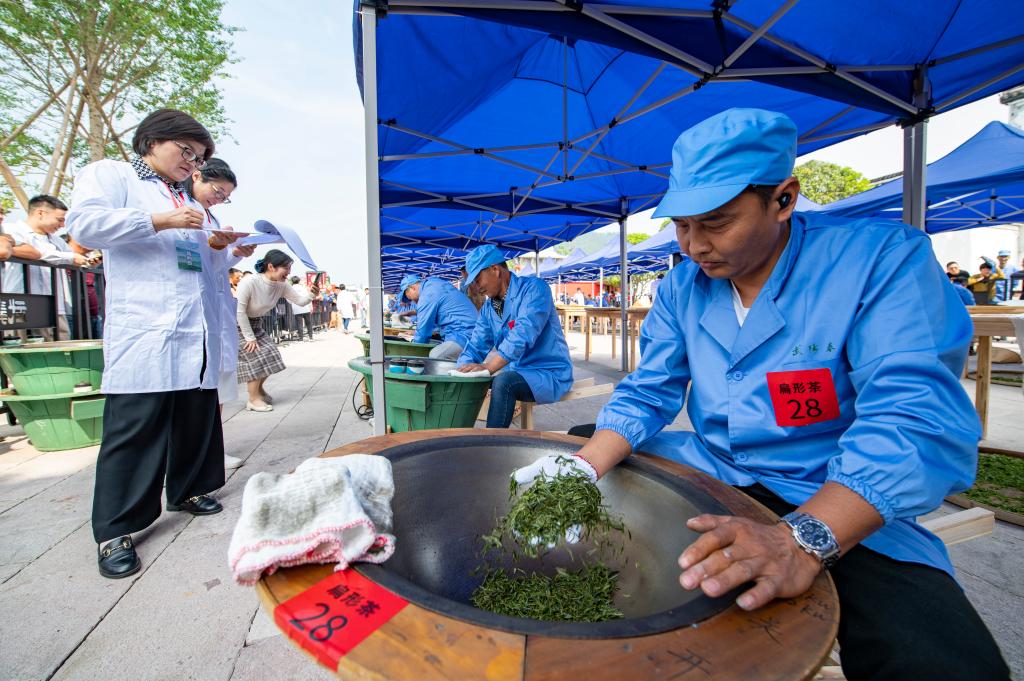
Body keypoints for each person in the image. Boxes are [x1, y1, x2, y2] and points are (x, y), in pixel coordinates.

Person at [514, 109, 1008, 681]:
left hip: (839, 490)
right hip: (717, 471)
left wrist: (802, 541)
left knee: (941, 661)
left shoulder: (880, 261)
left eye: (716, 223)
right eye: (682, 226)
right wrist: (584, 467)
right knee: (590, 443)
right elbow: (648, 391)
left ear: (784, 199)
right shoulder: (682, 287)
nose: (695, 246)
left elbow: (913, 418)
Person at [67, 108, 242, 579]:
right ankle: (116, 530)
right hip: (146, 325)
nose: (192, 163)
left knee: (195, 415)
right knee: (137, 426)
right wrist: (160, 220)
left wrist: (222, 248)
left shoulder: (184, 196)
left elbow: (199, 263)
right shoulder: (113, 175)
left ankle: (189, 488)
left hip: (194, 326)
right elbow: (86, 225)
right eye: (187, 152)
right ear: (152, 141)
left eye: (199, 157)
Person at [184, 156, 254, 469]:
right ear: (196, 176)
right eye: (218, 191)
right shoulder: (183, 212)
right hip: (194, 312)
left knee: (219, 384)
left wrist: (234, 252)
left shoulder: (208, 216)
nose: (219, 198)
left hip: (216, 310)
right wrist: (216, 247)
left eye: (225, 196)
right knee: (200, 387)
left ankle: (212, 448)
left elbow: (215, 265)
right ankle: (197, 454)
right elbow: (189, 262)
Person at [456, 244, 573, 428]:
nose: (476, 287)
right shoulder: (488, 309)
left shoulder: (535, 289)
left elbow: (523, 334)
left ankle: (491, 444)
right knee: (475, 381)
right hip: (518, 371)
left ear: (495, 269)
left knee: (503, 382)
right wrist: (460, 371)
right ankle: (461, 436)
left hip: (547, 373)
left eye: (478, 280)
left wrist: (489, 367)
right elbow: (475, 345)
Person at [236, 249, 316, 411]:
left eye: (289, 268)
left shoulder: (282, 285)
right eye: (286, 268)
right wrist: (249, 337)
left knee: (272, 355)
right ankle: (253, 399)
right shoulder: (250, 281)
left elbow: (300, 301)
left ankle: (259, 391)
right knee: (257, 358)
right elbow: (239, 312)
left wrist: (312, 295)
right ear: (271, 266)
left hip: (256, 323)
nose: (289, 272)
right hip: (237, 324)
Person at [4, 195, 86, 340]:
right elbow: (35, 253)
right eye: (59, 220)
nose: (62, 225)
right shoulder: (11, 230)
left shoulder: (56, 241)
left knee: (61, 346)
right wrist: (67, 257)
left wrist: (85, 261)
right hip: (18, 303)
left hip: (54, 306)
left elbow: (72, 257)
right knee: (20, 346)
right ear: (40, 213)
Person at [398, 273, 478, 360]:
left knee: (435, 356)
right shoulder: (434, 285)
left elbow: (422, 335)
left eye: (410, 298)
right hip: (469, 331)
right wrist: (412, 317)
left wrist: (411, 354)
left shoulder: (427, 294)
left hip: (465, 335)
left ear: (412, 288)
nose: (413, 301)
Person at [289, 275, 315, 340]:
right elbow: (308, 297)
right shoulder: (303, 288)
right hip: (305, 306)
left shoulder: (291, 288)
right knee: (308, 323)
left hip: (296, 307)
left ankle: (301, 338)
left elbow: (289, 300)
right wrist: (310, 306)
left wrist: (292, 303)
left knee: (299, 323)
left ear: (292, 281)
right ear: (299, 281)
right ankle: (310, 337)